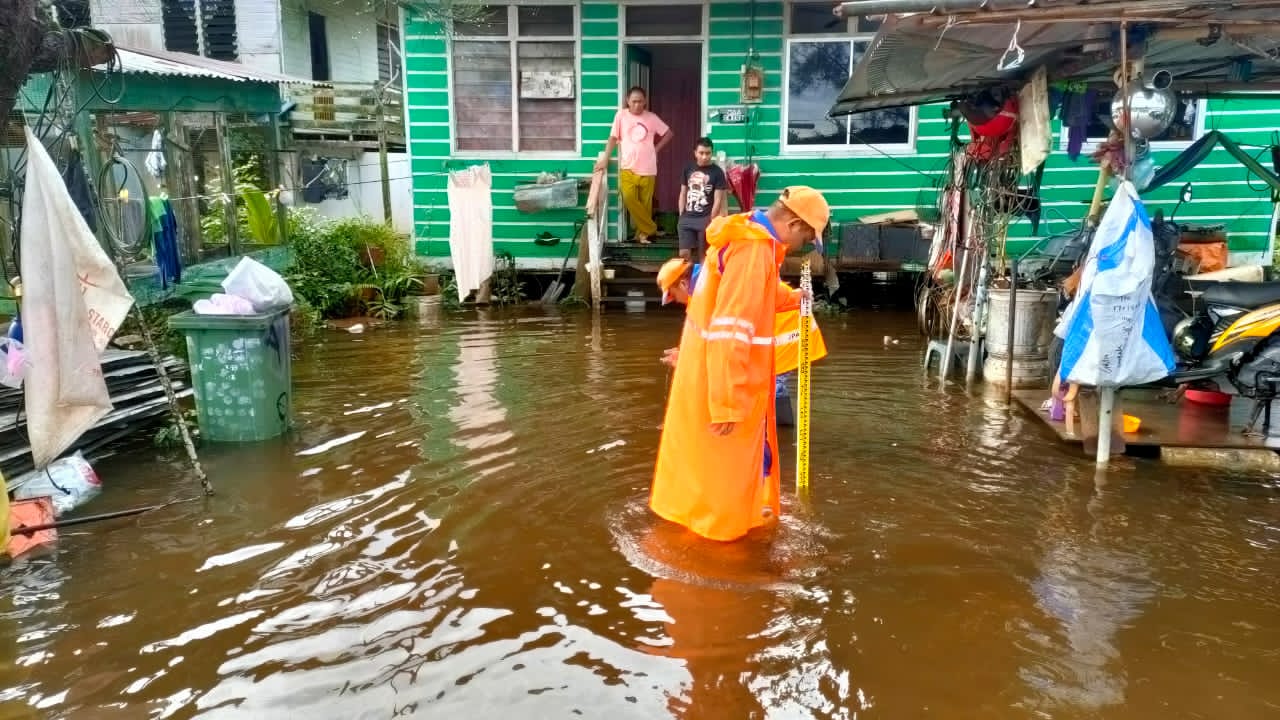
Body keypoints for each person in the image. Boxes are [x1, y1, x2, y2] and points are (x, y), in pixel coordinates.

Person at [650, 187, 830, 542]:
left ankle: (698, 530)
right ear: (794, 223)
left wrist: (793, 297)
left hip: (713, 377)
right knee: (724, 478)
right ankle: (720, 550)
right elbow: (730, 331)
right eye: (807, 237)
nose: (803, 245)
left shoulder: (746, 236)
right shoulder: (753, 250)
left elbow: (756, 293)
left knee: (707, 467)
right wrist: (727, 404)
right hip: (729, 386)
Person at [595, 87, 672, 245]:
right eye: (634, 101)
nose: (637, 105)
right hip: (627, 167)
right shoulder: (621, 116)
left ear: (645, 102)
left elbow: (669, 133)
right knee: (629, 197)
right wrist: (605, 159)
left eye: (640, 101)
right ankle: (651, 228)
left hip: (648, 168)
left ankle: (642, 235)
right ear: (627, 101)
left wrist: (656, 149)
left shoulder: (651, 118)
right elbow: (613, 138)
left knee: (645, 205)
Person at [677, 138, 728, 263]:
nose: (705, 157)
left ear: (712, 153)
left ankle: (702, 275)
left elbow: (718, 199)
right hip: (687, 218)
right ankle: (688, 275)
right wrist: (681, 215)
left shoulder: (717, 172)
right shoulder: (688, 168)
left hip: (705, 219)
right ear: (695, 153)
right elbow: (683, 193)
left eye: (708, 153)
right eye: (701, 153)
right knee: (684, 254)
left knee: (703, 257)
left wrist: (711, 219)